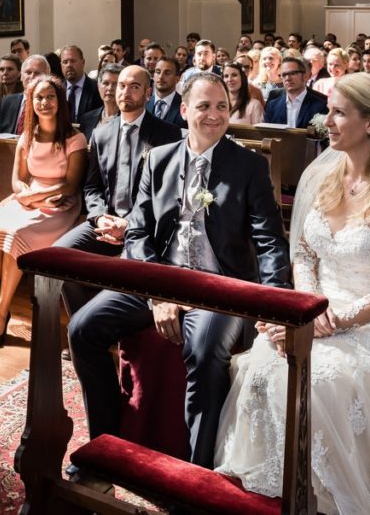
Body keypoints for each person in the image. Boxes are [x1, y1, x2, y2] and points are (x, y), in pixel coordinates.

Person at [215, 72, 370, 514]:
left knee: (318, 378)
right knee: (263, 364)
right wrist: (303, 309)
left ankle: (329, 496)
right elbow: (304, 254)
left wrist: (328, 322)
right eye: (329, 110)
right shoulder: (321, 178)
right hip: (317, 308)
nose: (325, 120)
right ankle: (276, 486)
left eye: (338, 112)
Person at [69, 72, 291, 468]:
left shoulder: (249, 167)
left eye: (222, 106)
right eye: (204, 106)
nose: (214, 115)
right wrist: (158, 293)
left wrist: (276, 307)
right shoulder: (157, 160)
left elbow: (270, 242)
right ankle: (103, 444)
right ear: (184, 109)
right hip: (159, 279)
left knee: (205, 351)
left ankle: (195, 472)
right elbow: (138, 232)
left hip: (219, 288)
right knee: (83, 328)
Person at [55, 65, 182, 316]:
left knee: (127, 275)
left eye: (134, 87)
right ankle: (80, 325)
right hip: (105, 221)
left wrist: (129, 225)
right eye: (121, 85)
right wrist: (100, 215)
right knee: (59, 258)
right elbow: (92, 187)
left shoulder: (167, 134)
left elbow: (167, 195)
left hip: (145, 227)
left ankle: (96, 329)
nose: (125, 92)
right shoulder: (102, 134)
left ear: (148, 94)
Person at [0, 75, 87, 348]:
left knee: (17, 234)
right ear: (31, 102)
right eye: (38, 98)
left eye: (50, 97)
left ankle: (2, 310)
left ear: (60, 101)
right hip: (26, 199)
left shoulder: (75, 138)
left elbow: (70, 185)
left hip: (58, 206)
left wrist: (37, 196)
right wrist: (28, 195)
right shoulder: (27, 136)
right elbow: (17, 180)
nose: (44, 103)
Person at [263, 57, 328, 128]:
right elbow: (267, 133)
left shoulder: (321, 106)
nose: (288, 78)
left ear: (304, 76)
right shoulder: (272, 106)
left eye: (292, 73)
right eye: (284, 75)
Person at [0, 54, 50, 134]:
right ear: (21, 76)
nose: (32, 76)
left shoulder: (53, 104)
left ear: (47, 77)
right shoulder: (7, 102)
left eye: (37, 73)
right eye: (28, 72)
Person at [77, 62, 121, 140]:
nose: (110, 88)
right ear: (98, 86)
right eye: (106, 83)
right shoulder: (87, 119)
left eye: (115, 84)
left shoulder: (128, 119)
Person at [61, 44, 103, 120]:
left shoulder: (97, 89)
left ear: (83, 62)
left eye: (73, 61)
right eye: (65, 62)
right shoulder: (57, 89)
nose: (69, 65)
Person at [147, 57, 187, 129]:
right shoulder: (144, 103)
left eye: (167, 73)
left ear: (177, 79)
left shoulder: (186, 105)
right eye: (158, 72)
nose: (161, 77)